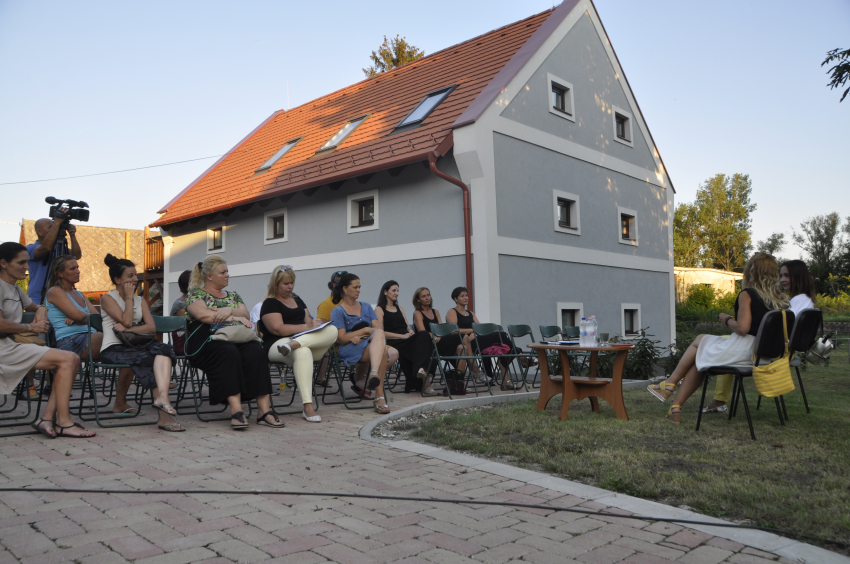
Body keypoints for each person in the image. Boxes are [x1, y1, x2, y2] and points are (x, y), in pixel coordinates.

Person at [648, 253, 789, 423]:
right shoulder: (782, 300)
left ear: (751, 272)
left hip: (744, 351)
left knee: (699, 341)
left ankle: (670, 384)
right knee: (700, 354)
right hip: (768, 356)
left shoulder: (748, 294)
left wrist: (727, 320)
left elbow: (743, 328)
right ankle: (675, 406)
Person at [0, 242, 95, 438]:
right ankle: (62, 422)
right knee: (69, 358)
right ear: (3, 263)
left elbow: (38, 307)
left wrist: (42, 310)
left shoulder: (15, 289)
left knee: (71, 359)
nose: (27, 266)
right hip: (4, 348)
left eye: (27, 262)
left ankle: (48, 419)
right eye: (22, 262)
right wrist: (30, 327)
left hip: (11, 346)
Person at [701, 259, 816, 413]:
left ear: (799, 277)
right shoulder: (802, 300)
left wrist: (730, 320)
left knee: (723, 343)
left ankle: (718, 398)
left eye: (787, 276)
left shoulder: (796, 301)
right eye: (780, 275)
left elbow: (782, 327)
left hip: (777, 352)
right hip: (783, 350)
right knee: (726, 339)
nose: (782, 280)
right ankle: (718, 398)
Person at [184, 255, 282, 430]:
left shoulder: (233, 295)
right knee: (228, 352)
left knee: (256, 351)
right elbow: (203, 316)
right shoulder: (195, 294)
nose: (228, 275)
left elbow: (246, 315)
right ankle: (236, 410)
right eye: (223, 272)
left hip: (236, 337)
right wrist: (233, 316)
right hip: (206, 341)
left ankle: (264, 411)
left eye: (227, 271)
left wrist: (227, 310)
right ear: (209, 276)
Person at [99, 254, 185, 432]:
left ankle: (162, 399)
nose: (135, 279)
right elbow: (127, 320)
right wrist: (129, 298)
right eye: (129, 276)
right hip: (113, 348)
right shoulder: (108, 298)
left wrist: (129, 330)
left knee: (164, 349)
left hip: (137, 345)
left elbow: (151, 328)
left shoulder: (141, 300)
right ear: (117, 279)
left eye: (135, 275)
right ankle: (164, 416)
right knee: (149, 359)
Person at [259, 265, 338, 422]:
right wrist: (307, 327)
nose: (290, 287)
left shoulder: (296, 298)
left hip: (299, 341)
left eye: (292, 283)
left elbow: (308, 320)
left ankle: (295, 344)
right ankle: (308, 406)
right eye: (286, 283)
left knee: (333, 330)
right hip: (277, 345)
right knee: (303, 352)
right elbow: (277, 329)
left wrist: (316, 323)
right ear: (276, 284)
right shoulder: (270, 303)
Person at [330, 273, 395, 414]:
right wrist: (365, 330)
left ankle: (373, 373)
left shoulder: (366, 306)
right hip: (349, 348)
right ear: (345, 289)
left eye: (360, 287)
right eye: (356, 287)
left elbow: (378, 329)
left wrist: (362, 336)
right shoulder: (338, 311)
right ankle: (379, 397)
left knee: (380, 339)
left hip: (369, 345)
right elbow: (342, 338)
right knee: (382, 349)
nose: (359, 290)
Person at [445, 286, 519, 390]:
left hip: (476, 340)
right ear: (455, 299)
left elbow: (479, 329)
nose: (466, 298)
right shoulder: (452, 312)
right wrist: (471, 331)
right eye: (462, 296)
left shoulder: (470, 313)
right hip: (466, 343)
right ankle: (519, 354)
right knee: (500, 335)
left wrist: (476, 333)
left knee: (502, 343)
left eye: (466, 295)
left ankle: (505, 375)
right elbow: (453, 330)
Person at [375, 281, 436, 396]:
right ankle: (425, 381)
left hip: (406, 339)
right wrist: (402, 336)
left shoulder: (400, 308)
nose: (396, 293)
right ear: (385, 292)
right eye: (393, 290)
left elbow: (407, 326)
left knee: (424, 336)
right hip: (394, 341)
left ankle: (421, 372)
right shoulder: (379, 309)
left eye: (397, 290)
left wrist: (410, 331)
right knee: (424, 337)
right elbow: (380, 332)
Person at [44, 255, 101, 360]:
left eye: (77, 267)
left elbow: (97, 318)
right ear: (60, 273)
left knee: (116, 339)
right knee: (107, 337)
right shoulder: (55, 291)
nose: (78, 271)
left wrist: (79, 319)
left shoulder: (79, 294)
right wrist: (80, 317)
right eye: (72, 269)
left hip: (90, 337)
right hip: (70, 340)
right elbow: (81, 316)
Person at [26, 209, 83, 305]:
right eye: (50, 227)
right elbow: (46, 247)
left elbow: (76, 255)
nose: (56, 228)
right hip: (39, 298)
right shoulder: (30, 248)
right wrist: (57, 222)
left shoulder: (60, 248)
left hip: (61, 296)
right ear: (39, 232)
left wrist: (72, 235)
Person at [412, 286, 468, 382]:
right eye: (423, 296)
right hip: (428, 344)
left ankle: (459, 381)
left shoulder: (435, 311)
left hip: (439, 341)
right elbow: (422, 331)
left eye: (428, 295)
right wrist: (434, 336)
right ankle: (475, 370)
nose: (427, 298)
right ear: (418, 300)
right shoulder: (418, 313)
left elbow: (442, 329)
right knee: (463, 337)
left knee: (463, 347)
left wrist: (439, 336)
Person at [169, 270, 192, 355]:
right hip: (184, 341)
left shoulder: (198, 301)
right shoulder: (180, 304)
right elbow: (191, 323)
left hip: (192, 339)